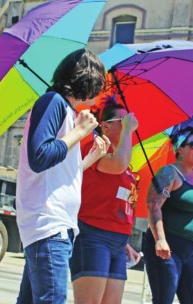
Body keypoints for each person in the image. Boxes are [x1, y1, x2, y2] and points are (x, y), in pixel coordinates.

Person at [15, 49, 106, 304]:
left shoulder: (65, 111)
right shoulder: (53, 102)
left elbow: (60, 173)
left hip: (55, 223)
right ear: (88, 80)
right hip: (48, 223)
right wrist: (79, 132)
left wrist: (91, 158)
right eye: (100, 83)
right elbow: (40, 157)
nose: (100, 91)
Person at [143, 126, 193, 304]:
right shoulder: (169, 172)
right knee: (163, 300)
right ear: (179, 148)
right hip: (168, 247)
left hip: (191, 250)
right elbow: (153, 206)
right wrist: (160, 239)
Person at [69, 98, 139, 303]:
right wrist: (128, 130)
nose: (129, 122)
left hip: (118, 240)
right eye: (123, 119)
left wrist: (125, 239)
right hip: (93, 234)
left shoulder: (125, 158)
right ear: (105, 126)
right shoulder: (94, 147)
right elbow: (116, 165)